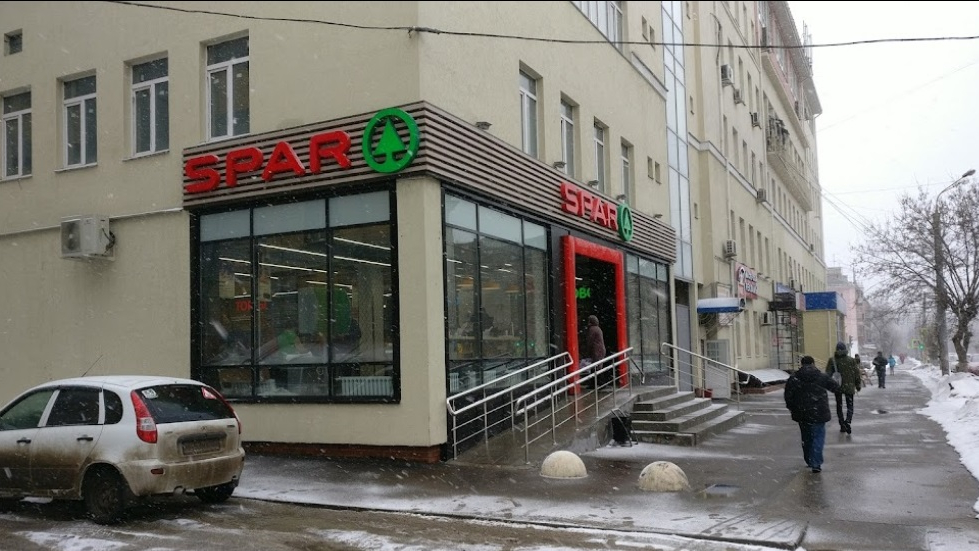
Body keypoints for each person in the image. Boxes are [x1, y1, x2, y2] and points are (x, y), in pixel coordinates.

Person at [785, 355, 841, 473]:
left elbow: (788, 396)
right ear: (813, 364)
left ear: (801, 364)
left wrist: (792, 408)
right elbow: (835, 387)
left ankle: (809, 460)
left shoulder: (794, 378)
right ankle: (816, 463)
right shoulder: (821, 377)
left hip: (802, 413)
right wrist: (837, 380)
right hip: (819, 412)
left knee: (806, 437)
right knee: (818, 437)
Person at [825, 341, 861, 434]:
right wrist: (858, 385)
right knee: (850, 405)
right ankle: (848, 421)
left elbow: (828, 375)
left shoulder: (832, 360)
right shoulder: (851, 360)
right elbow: (857, 374)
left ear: (836, 349)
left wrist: (827, 385)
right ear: (845, 349)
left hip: (838, 386)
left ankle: (842, 425)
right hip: (849, 386)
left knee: (839, 406)